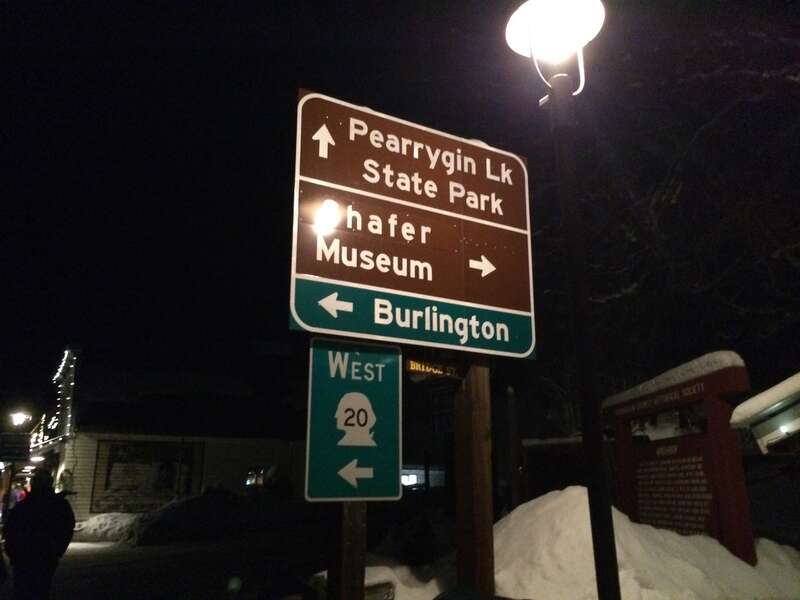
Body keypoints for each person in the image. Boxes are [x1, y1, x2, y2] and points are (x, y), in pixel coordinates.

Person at [3, 469, 75, 600]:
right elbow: (67, 529)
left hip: (24, 558)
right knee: (41, 590)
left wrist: (13, 552)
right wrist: (57, 550)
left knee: (22, 591)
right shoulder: (59, 505)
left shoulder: (23, 506)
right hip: (45, 557)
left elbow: (10, 531)